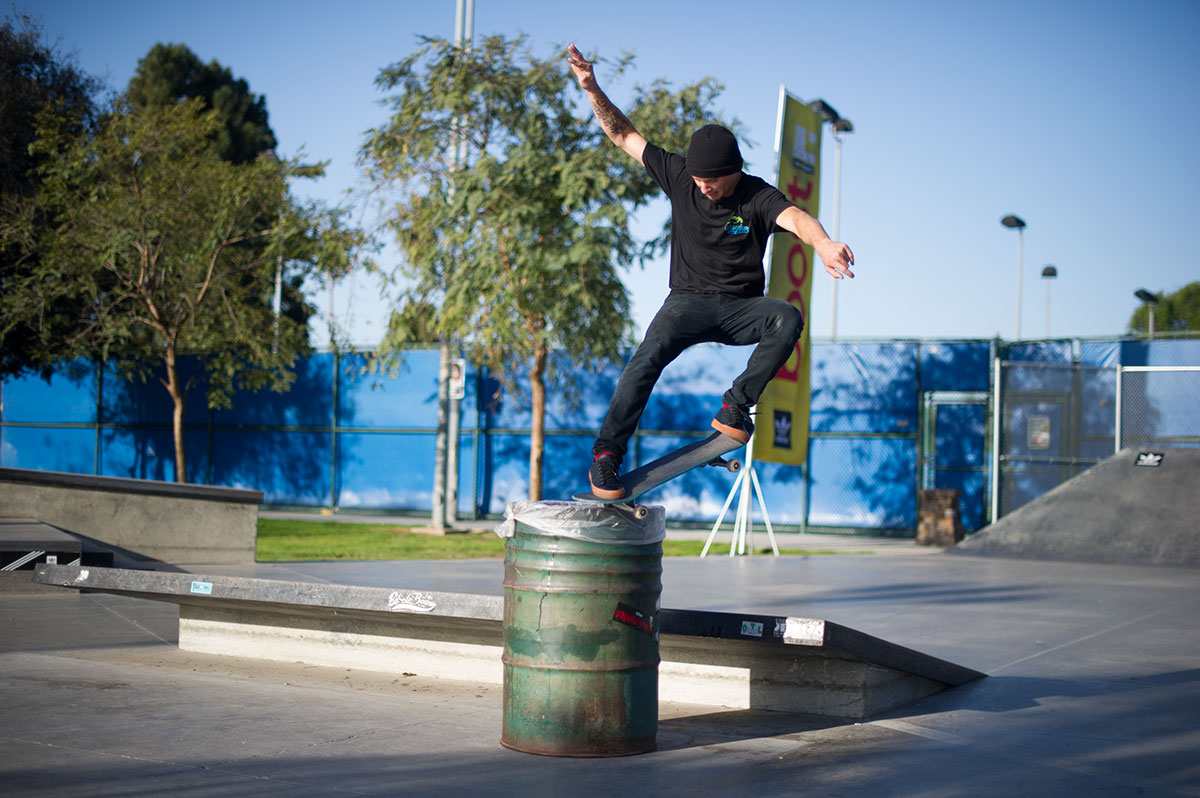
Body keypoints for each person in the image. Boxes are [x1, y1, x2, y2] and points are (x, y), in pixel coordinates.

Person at [567, 43, 856, 500]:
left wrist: (822, 243)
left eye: (713, 182)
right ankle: (606, 457)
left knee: (787, 317)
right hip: (686, 303)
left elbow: (796, 217)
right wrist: (591, 88)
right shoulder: (680, 175)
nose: (703, 188)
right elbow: (623, 134)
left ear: (734, 172)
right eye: (698, 181)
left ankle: (735, 406)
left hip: (741, 308)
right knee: (646, 358)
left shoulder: (757, 196)